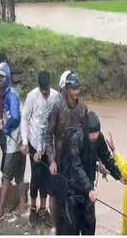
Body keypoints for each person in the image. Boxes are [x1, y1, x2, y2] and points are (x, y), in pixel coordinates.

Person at [58, 111, 122, 234]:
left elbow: (106, 157)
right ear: (85, 130)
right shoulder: (76, 139)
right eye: (91, 133)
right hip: (72, 188)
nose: (94, 136)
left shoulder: (99, 138)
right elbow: (76, 166)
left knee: (90, 225)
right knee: (72, 227)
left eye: (97, 132)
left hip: (88, 187)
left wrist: (118, 175)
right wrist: (89, 188)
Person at [44, 72, 88, 234]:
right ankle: (56, 227)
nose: (77, 91)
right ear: (67, 89)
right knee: (55, 195)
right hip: (59, 158)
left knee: (74, 197)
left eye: (78, 88)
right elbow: (48, 135)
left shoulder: (83, 108)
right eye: (74, 88)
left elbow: (87, 135)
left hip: (75, 161)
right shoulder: (57, 107)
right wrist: (51, 161)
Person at [21, 71, 61, 227]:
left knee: (47, 177)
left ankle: (44, 210)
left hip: (48, 143)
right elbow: (25, 118)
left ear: (50, 85)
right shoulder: (32, 96)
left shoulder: (55, 97)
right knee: (36, 176)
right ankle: (33, 208)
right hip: (33, 141)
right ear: (39, 87)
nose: (45, 92)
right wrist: (25, 142)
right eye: (42, 89)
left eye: (47, 88)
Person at [0, 70, 24, 225]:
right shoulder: (9, 93)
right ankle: (23, 205)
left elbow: (15, 117)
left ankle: (1, 212)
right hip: (21, 140)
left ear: (8, 77)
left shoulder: (11, 95)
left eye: (2, 76)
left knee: (6, 178)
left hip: (14, 143)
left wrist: (5, 127)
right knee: (20, 176)